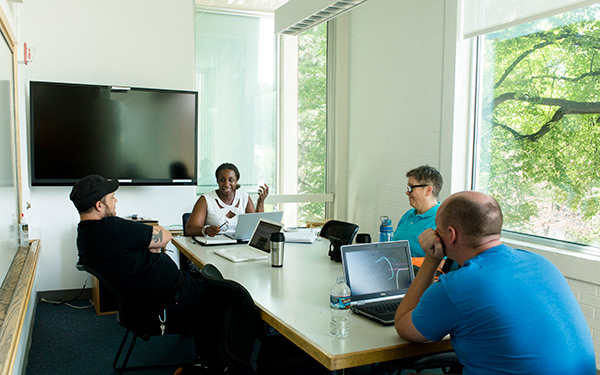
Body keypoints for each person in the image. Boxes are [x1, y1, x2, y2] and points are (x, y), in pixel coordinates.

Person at [394, 191, 596, 375]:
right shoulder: (540, 262)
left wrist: (431, 258)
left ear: (451, 234)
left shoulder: (457, 286)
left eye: (437, 230)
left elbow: (404, 327)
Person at [70, 174, 223, 374]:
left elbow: (132, 250)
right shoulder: (113, 228)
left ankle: (203, 353)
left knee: (207, 281)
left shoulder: (85, 236)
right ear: (99, 205)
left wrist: (145, 247)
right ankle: (221, 364)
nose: (115, 201)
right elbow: (165, 235)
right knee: (226, 294)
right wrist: (150, 245)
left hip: (144, 303)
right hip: (168, 301)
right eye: (112, 197)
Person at [186, 162, 269, 237]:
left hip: (240, 246)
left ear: (236, 181)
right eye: (222, 180)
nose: (226, 184)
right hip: (213, 246)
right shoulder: (206, 199)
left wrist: (260, 203)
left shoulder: (244, 197)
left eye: (231, 180)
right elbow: (190, 229)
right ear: (217, 181)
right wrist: (206, 230)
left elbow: (257, 227)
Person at [392, 165, 443, 258]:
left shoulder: (441, 221)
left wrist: (408, 262)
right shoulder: (408, 215)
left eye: (411, 188)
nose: (407, 192)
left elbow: (443, 263)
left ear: (428, 190)